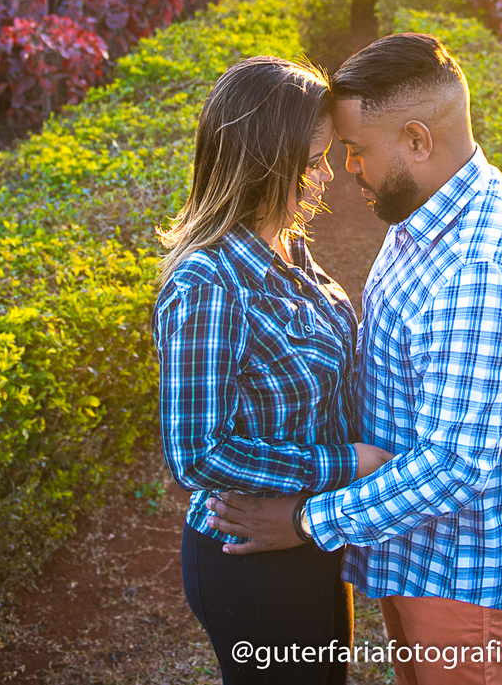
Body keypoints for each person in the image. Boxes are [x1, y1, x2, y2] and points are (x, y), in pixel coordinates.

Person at [206, 33, 502, 685]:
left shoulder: (479, 270)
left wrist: (304, 519)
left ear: (418, 141)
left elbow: (453, 464)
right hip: (424, 553)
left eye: (357, 150)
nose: (348, 170)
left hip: (465, 575)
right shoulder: (427, 210)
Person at [151, 56, 392, 685]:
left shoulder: (287, 248)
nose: (328, 174)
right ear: (264, 162)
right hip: (249, 556)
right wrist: (347, 465)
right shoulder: (209, 282)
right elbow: (196, 453)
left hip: (304, 536)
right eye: (312, 162)